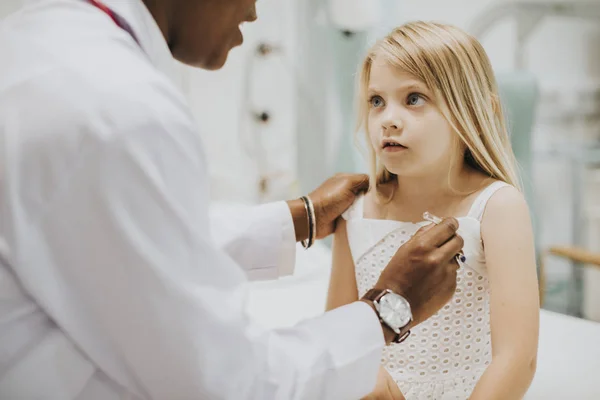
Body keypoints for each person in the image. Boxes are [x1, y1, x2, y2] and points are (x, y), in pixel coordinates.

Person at [0, 1, 465, 399]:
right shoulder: (118, 107)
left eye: (415, 99)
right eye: (377, 101)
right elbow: (228, 384)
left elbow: (113, 244)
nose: (254, 10)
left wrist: (297, 218)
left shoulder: (46, 45)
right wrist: (388, 308)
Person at [326, 21, 540, 400]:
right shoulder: (356, 210)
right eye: (377, 101)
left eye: (413, 99)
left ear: (472, 113)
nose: (388, 118)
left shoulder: (496, 207)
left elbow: (516, 358)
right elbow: (337, 335)